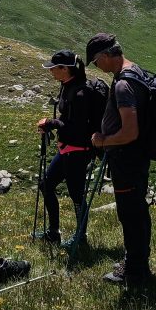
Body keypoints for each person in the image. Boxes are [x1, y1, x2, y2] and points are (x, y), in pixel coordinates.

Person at [86, 33, 153, 287]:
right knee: (136, 210)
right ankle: (135, 261)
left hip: (127, 159)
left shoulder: (124, 84)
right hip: (136, 157)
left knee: (130, 214)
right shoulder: (135, 70)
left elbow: (129, 132)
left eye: (95, 62)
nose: (96, 67)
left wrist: (103, 140)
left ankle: (135, 272)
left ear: (105, 56)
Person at [33, 50, 105, 248]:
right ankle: (53, 233)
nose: (51, 71)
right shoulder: (67, 86)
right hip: (67, 148)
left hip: (78, 150)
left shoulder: (80, 93)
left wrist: (50, 122)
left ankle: (81, 238)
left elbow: (76, 128)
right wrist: (52, 124)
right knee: (46, 185)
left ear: (65, 69)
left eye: (53, 68)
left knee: (76, 195)